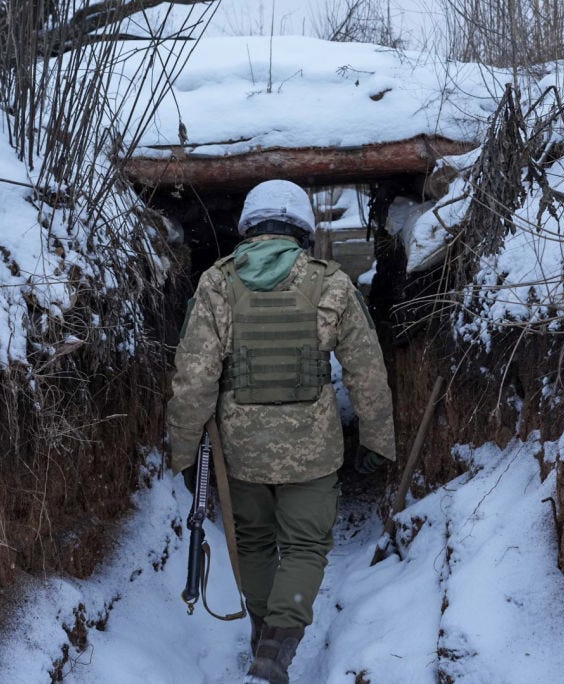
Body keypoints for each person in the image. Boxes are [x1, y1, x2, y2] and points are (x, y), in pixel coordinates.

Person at [167, 179, 396, 684]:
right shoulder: (331, 283)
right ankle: (275, 651)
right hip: (312, 452)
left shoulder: (216, 284)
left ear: (249, 226)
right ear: (302, 229)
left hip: (239, 453)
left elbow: (194, 380)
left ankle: (262, 635)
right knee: (305, 548)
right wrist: (378, 443)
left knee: (252, 541)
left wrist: (184, 455)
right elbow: (367, 372)